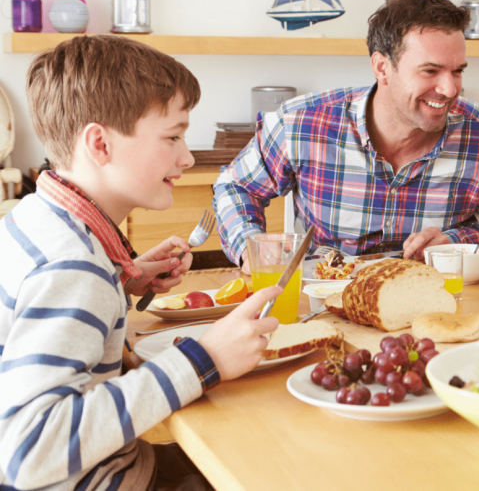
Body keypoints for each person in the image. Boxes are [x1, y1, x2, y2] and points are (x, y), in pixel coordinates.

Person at [0, 35, 282, 490]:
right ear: (100, 144)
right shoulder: (74, 268)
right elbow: (28, 450)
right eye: (172, 136)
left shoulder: (39, 217)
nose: (187, 157)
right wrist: (204, 359)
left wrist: (121, 278)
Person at [214, 0, 479, 269]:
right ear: (382, 68)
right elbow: (236, 187)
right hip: (325, 300)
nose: (449, 89)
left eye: (457, 71)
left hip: (435, 301)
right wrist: (251, 249)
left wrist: (454, 242)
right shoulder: (302, 123)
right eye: (430, 71)